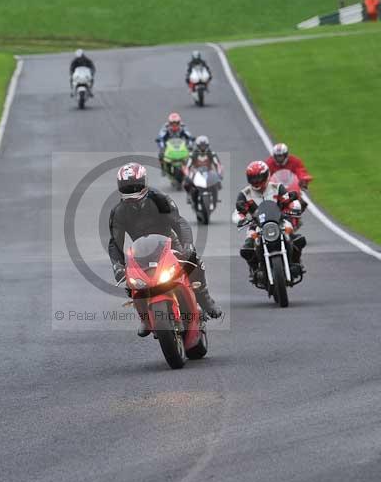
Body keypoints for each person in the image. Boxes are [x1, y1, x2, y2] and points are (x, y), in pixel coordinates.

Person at [109, 163, 223, 336]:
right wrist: (117, 265)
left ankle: (205, 299)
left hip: (170, 243)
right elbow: (115, 243)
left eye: (135, 186)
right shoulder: (118, 212)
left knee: (193, 261)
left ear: (145, 182)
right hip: (141, 252)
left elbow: (179, 222)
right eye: (127, 187)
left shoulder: (159, 199)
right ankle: (145, 318)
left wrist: (187, 245)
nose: (132, 190)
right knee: (132, 282)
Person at [235, 161, 306, 278]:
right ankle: (255, 270)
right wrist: (242, 217)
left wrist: (292, 206)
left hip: (279, 221)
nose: (256, 181)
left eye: (259, 178)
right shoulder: (244, 193)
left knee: (298, 239)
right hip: (256, 225)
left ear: (266, 175)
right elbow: (238, 211)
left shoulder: (277, 187)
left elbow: (287, 200)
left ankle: (296, 262)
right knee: (247, 248)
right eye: (253, 178)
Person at [183, 135, 223, 202]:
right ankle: (189, 195)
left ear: (207, 145)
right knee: (187, 182)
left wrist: (219, 174)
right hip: (196, 172)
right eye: (201, 146)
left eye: (204, 146)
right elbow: (187, 166)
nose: (202, 148)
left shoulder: (211, 153)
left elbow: (218, 165)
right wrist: (187, 175)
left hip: (209, 171)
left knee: (218, 182)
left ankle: (215, 195)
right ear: (197, 146)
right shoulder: (192, 154)